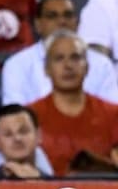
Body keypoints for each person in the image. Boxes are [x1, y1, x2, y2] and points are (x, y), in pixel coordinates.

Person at [2, 0, 118, 105]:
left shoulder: (101, 64)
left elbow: (112, 113)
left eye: (68, 15)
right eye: (52, 16)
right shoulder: (17, 65)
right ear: (38, 25)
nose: (62, 22)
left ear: (77, 23)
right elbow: (14, 115)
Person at [27, 29, 118, 177]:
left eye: (75, 57)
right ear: (46, 69)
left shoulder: (113, 113)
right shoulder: (29, 116)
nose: (68, 65)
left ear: (87, 67)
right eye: (59, 58)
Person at [0, 104, 49, 179]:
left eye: (23, 131)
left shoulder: (55, 187)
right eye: (8, 134)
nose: (17, 138)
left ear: (38, 135)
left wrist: (37, 184)